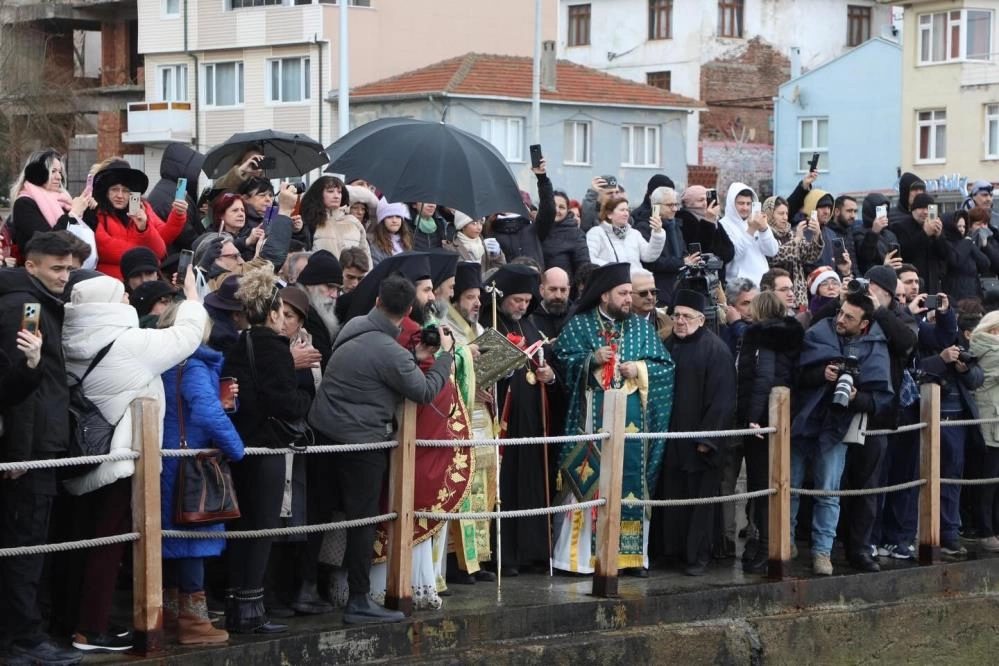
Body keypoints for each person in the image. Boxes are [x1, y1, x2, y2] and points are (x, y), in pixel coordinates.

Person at [60, 269, 205, 652]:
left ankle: (76, 622)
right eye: (121, 295)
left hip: (83, 455)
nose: (128, 298)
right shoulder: (128, 344)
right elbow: (187, 337)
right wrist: (192, 299)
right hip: (117, 461)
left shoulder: (70, 339)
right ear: (107, 304)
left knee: (84, 543)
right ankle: (90, 630)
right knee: (108, 546)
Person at [308, 272, 454, 624]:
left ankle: (304, 589)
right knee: (362, 522)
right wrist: (444, 358)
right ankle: (359, 600)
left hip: (323, 434)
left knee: (317, 517)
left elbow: (380, 364)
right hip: (361, 444)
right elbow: (423, 391)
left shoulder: (354, 326)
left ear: (377, 301)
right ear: (408, 312)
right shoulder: (391, 352)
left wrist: (413, 355)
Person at [553, 263, 674, 576]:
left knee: (629, 483)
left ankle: (630, 558)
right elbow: (562, 362)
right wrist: (590, 360)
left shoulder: (641, 328)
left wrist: (639, 369)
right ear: (604, 295)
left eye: (630, 293)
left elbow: (665, 367)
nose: (628, 299)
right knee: (588, 482)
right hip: (591, 422)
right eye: (622, 294)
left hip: (632, 425)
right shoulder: (579, 325)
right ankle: (579, 560)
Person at [0, 233, 83, 666]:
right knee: (25, 545)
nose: (65, 276)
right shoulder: (27, 307)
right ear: (30, 266)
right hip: (29, 451)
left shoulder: (33, 302)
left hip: (35, 444)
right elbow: (21, 384)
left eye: (68, 268)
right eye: (57, 268)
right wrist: (20, 453)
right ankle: (22, 639)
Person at [221, 268, 312, 634]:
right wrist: (305, 398)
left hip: (240, 445)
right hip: (268, 447)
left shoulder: (237, 344)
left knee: (241, 528)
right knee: (262, 529)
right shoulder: (275, 349)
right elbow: (286, 403)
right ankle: (251, 611)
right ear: (273, 313)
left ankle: (235, 603)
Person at [790, 291, 893, 576]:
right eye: (841, 312)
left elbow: (879, 398)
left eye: (849, 317)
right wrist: (821, 374)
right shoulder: (818, 333)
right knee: (790, 488)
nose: (841, 319)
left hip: (837, 427)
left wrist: (855, 396)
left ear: (864, 324)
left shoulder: (875, 346)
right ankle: (785, 542)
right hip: (803, 422)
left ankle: (822, 552)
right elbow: (795, 375)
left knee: (828, 492)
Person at [157, 304, 241, 646]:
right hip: (190, 462)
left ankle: (170, 616)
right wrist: (236, 448)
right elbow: (206, 412)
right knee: (193, 540)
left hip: (163, 458)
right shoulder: (192, 364)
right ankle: (194, 622)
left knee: (170, 541)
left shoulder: (159, 360)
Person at [654, 289, 735, 576]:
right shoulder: (667, 344)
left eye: (686, 317)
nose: (680, 321)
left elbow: (723, 400)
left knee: (699, 501)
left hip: (700, 442)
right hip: (670, 439)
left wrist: (707, 440)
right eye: (676, 315)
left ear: (701, 319)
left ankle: (697, 555)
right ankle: (671, 552)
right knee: (671, 496)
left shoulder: (716, 351)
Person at [480, 264, 554, 575]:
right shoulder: (488, 324)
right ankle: (505, 555)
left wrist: (549, 375)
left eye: (527, 301)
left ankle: (532, 552)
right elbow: (482, 372)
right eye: (517, 300)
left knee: (531, 484)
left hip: (531, 422)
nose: (522, 306)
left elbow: (547, 366)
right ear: (502, 297)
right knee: (506, 486)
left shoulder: (531, 326)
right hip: (502, 421)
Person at [736, 290, 803, 573]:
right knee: (770, 484)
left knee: (762, 485)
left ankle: (766, 547)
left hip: (764, 421)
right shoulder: (790, 336)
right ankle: (764, 544)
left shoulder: (762, 337)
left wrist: (753, 418)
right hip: (781, 418)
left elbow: (763, 378)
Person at [442, 262, 499, 585]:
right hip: (459, 419)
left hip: (482, 419)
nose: (477, 303)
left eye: (478, 297)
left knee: (483, 490)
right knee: (460, 488)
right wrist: (470, 385)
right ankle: (454, 560)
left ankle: (476, 559)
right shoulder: (447, 328)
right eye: (469, 297)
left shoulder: (479, 329)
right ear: (455, 299)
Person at [90, 159, 187, 281]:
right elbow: (105, 248)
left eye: (125, 190)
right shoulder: (95, 211)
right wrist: (146, 252)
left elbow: (162, 243)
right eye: (114, 189)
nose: (120, 195)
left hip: (146, 280)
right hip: (111, 283)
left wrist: (177, 214)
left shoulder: (142, 208)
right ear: (106, 191)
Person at [8, 149, 95, 265]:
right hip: (40, 270)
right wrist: (73, 214)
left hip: (69, 267)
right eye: (53, 171)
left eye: (60, 172)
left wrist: (89, 208)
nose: (59, 177)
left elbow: (83, 236)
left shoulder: (63, 200)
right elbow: (47, 242)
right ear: (37, 172)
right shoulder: (24, 203)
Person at [488, 161, 556, 269]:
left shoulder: (533, 228)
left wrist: (542, 178)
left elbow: (548, 209)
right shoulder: (490, 229)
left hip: (534, 277)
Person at [636, 186, 697, 307]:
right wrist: (682, 262)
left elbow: (683, 253)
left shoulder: (674, 225)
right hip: (659, 290)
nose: (675, 209)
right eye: (670, 205)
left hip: (678, 287)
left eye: (676, 204)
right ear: (655, 206)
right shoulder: (644, 228)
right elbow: (651, 262)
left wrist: (691, 260)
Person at [969, 311, 999, 552]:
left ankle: (990, 530)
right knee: (988, 482)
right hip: (991, 422)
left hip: (989, 420)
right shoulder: (993, 351)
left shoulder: (977, 347)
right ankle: (986, 531)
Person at [146, 142, 206, 254]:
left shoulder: (169, 188)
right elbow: (188, 237)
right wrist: (206, 247)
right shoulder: (173, 196)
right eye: (196, 171)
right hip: (174, 258)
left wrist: (198, 215)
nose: (197, 176)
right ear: (186, 169)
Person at [890, 192, 953, 295]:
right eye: (921, 208)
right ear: (913, 210)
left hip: (933, 285)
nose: (925, 212)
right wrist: (925, 233)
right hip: (911, 284)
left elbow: (947, 255)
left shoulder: (937, 228)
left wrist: (939, 237)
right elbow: (905, 251)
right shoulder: (900, 227)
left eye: (929, 209)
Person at [767, 195, 822, 310]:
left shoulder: (792, 233)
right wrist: (797, 239)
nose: (785, 217)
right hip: (774, 295)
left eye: (786, 213)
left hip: (798, 296)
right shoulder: (764, 235)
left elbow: (810, 256)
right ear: (769, 214)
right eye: (780, 213)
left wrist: (816, 234)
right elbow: (775, 257)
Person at [717, 182, 778, 286]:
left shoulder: (756, 220)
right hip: (738, 286)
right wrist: (751, 230)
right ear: (732, 203)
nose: (745, 208)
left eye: (748, 203)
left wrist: (764, 230)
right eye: (741, 203)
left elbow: (772, 251)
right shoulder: (722, 225)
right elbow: (733, 255)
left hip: (762, 282)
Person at [302, 176, 371, 266]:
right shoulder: (309, 221)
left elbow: (365, 256)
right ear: (318, 194)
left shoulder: (354, 222)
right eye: (330, 191)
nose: (336, 196)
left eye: (339, 192)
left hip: (350, 274)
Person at [586, 196, 665, 271]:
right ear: (609, 214)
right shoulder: (596, 233)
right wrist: (614, 269)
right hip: (611, 279)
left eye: (627, 210)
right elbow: (590, 259)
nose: (626, 214)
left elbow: (649, 256)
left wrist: (657, 233)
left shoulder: (634, 233)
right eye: (622, 210)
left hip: (636, 279)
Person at [295, 250, 343, 371]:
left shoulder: (313, 311)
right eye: (330, 286)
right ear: (310, 284)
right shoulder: (298, 311)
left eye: (338, 290)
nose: (334, 295)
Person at [540, 189, 591, 286]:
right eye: (553, 205)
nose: (557, 210)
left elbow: (583, 266)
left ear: (567, 211)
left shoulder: (576, 233)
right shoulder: (535, 230)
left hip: (563, 289)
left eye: (562, 207)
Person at [676, 185, 734, 268]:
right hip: (698, 273)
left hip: (716, 272)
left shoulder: (714, 219)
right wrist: (708, 222)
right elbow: (699, 251)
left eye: (706, 199)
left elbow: (729, 251)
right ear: (688, 203)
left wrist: (717, 261)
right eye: (700, 200)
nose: (705, 203)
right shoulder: (684, 220)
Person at [942, 210, 990, 303]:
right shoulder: (946, 243)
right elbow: (956, 261)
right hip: (955, 293)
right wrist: (967, 243)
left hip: (974, 292)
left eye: (964, 226)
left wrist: (973, 244)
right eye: (959, 226)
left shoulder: (967, 242)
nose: (962, 229)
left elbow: (985, 263)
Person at [854, 193, 900, 276]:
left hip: (892, 275)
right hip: (871, 277)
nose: (884, 213)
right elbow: (865, 257)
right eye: (880, 210)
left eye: (886, 209)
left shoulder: (890, 234)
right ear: (871, 210)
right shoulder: (859, 232)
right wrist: (874, 232)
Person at [631, 267, 672, 343]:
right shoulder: (616, 323)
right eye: (643, 293)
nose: (650, 297)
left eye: (653, 292)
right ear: (629, 294)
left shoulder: (667, 323)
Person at [531, 267, 573, 340]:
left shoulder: (576, 315)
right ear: (542, 290)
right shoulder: (530, 317)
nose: (558, 296)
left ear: (568, 291)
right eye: (553, 289)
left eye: (563, 290)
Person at [368, 201, 413, 267]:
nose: (394, 220)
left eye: (398, 216)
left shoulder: (406, 242)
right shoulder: (375, 248)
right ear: (382, 221)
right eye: (389, 217)